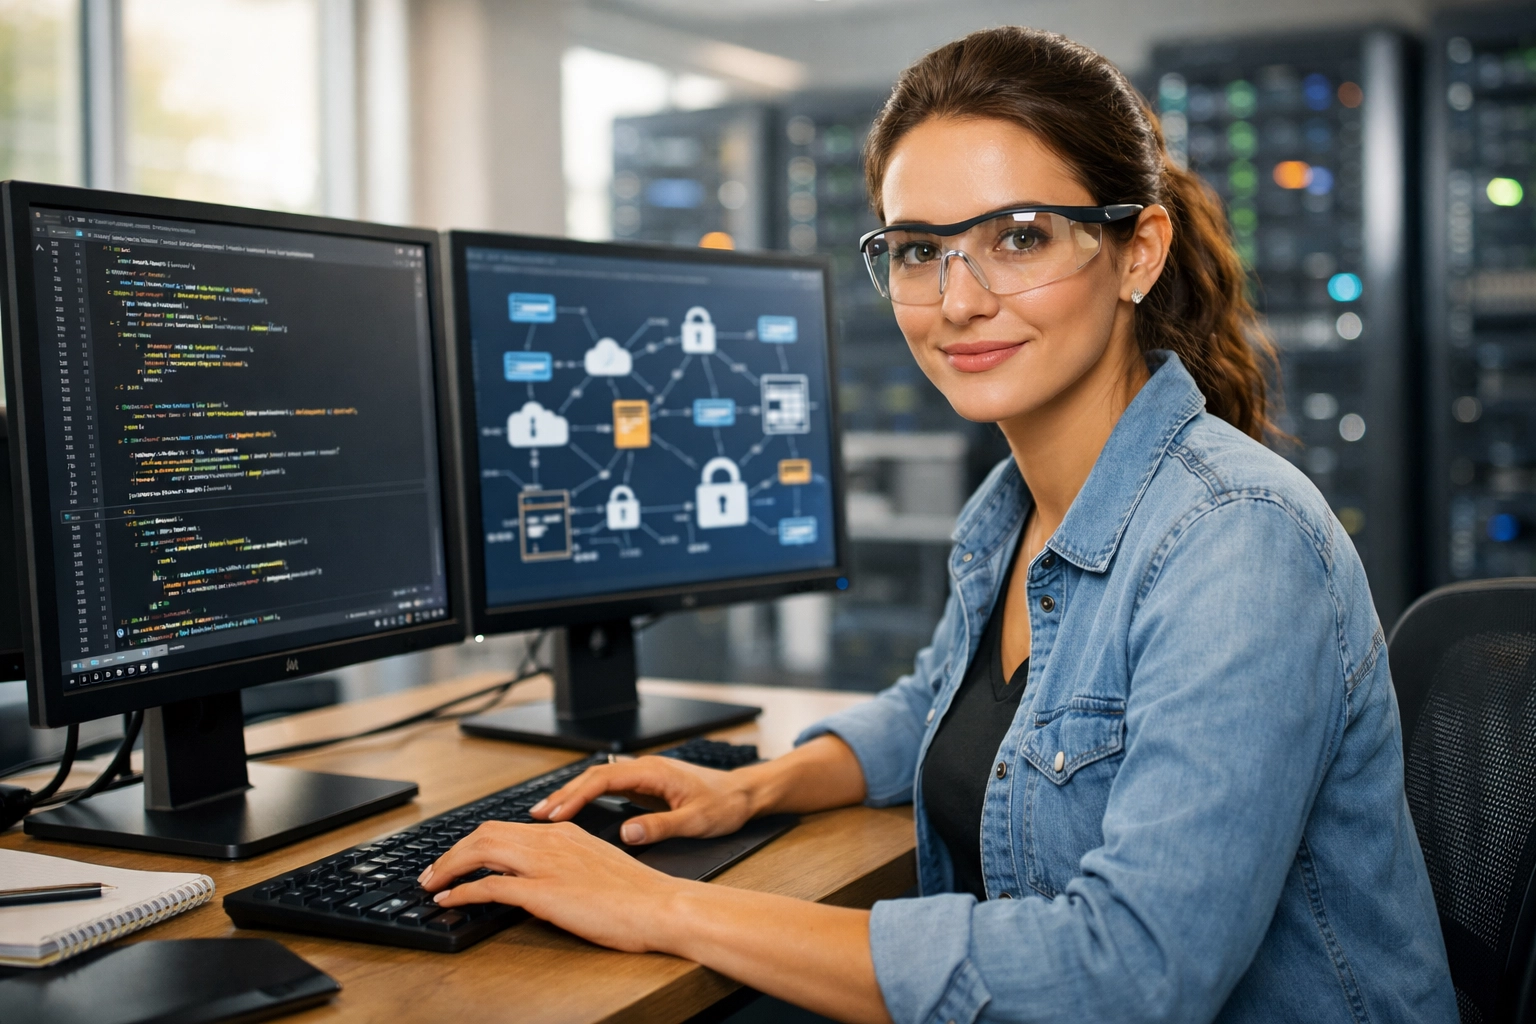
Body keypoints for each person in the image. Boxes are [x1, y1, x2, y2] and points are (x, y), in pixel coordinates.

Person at [419, 26, 1456, 1024]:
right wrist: (752, 788)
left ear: (1137, 252)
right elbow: (947, 704)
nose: (957, 300)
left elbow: (1133, 977)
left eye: (1018, 237)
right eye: (919, 249)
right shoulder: (1011, 509)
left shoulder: (1235, 539)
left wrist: (662, 906)